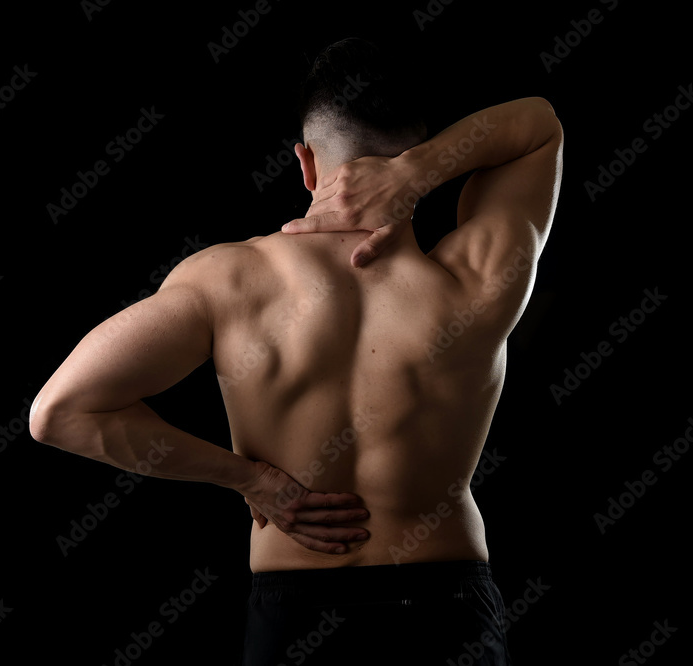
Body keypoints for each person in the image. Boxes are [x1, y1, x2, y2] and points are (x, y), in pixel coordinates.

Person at [29, 37, 561, 666]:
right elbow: (539, 126)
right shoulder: (473, 278)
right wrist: (419, 170)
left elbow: (60, 413)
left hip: (296, 610)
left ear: (306, 165)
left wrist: (252, 481)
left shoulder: (228, 280)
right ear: (420, 155)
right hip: (446, 608)